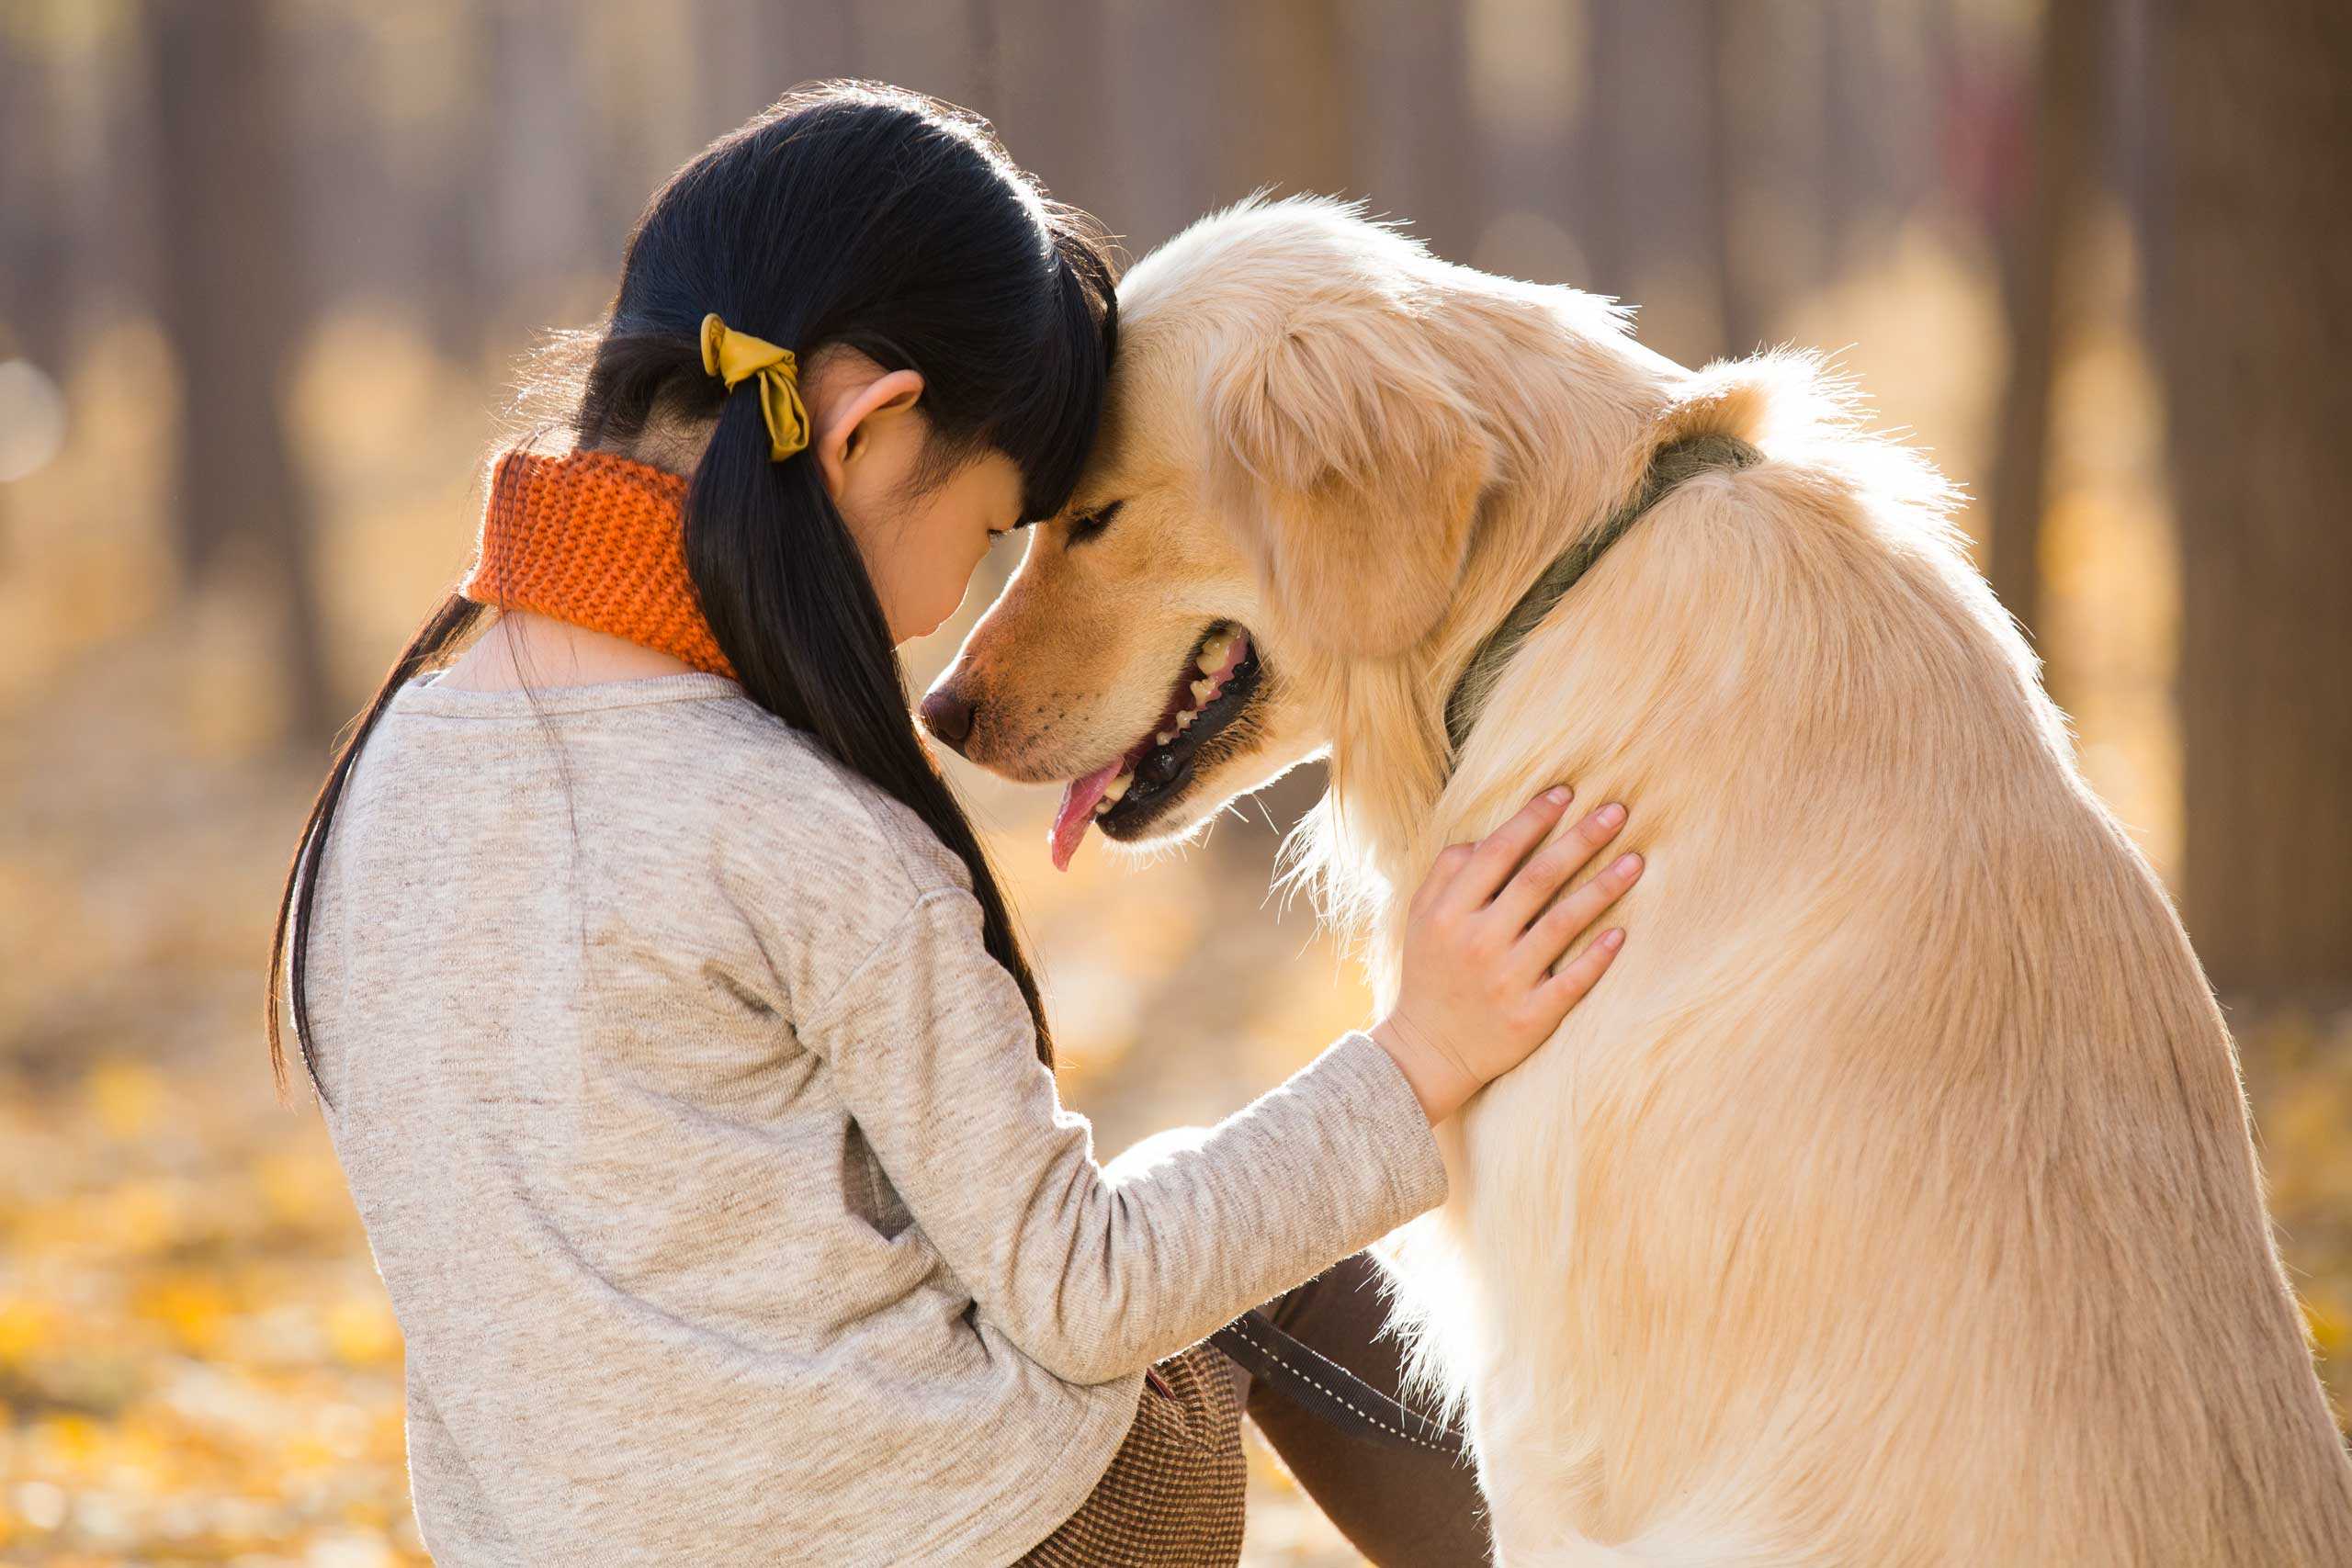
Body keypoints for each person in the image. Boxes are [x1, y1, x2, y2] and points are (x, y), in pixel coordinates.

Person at [266, 82, 1643, 1567]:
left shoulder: (390, 768)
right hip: (1005, 1542)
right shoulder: (796, 828)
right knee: (1243, 1240)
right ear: (869, 430)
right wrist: (1419, 1051)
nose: (958, 627)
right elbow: (1086, 1290)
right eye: (989, 536)